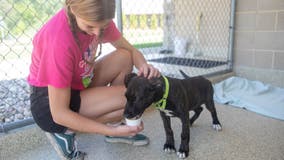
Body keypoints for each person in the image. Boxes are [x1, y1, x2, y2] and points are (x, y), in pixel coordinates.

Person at [27, 0, 160, 159]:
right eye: (90, 26)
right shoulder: (58, 40)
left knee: (125, 56)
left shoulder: (98, 17)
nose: (97, 33)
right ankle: (63, 130)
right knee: (133, 98)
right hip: (49, 106)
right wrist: (109, 130)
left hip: (77, 84)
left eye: (102, 27)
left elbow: (131, 50)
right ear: (73, 8)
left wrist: (144, 65)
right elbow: (59, 113)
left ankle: (115, 127)